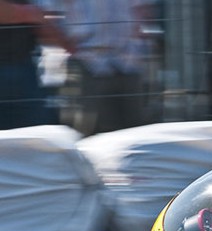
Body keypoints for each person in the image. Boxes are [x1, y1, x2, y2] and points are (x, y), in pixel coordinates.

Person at [47, 0, 155, 136]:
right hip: (86, 61)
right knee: (88, 129)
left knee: (135, 129)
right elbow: (47, 14)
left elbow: (142, 7)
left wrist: (138, 27)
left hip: (129, 60)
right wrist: (67, 44)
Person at [0, 0, 72, 129]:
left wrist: (68, 44)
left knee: (40, 134)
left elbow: (39, 24)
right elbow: (32, 15)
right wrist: (27, 13)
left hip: (24, 66)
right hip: (14, 69)